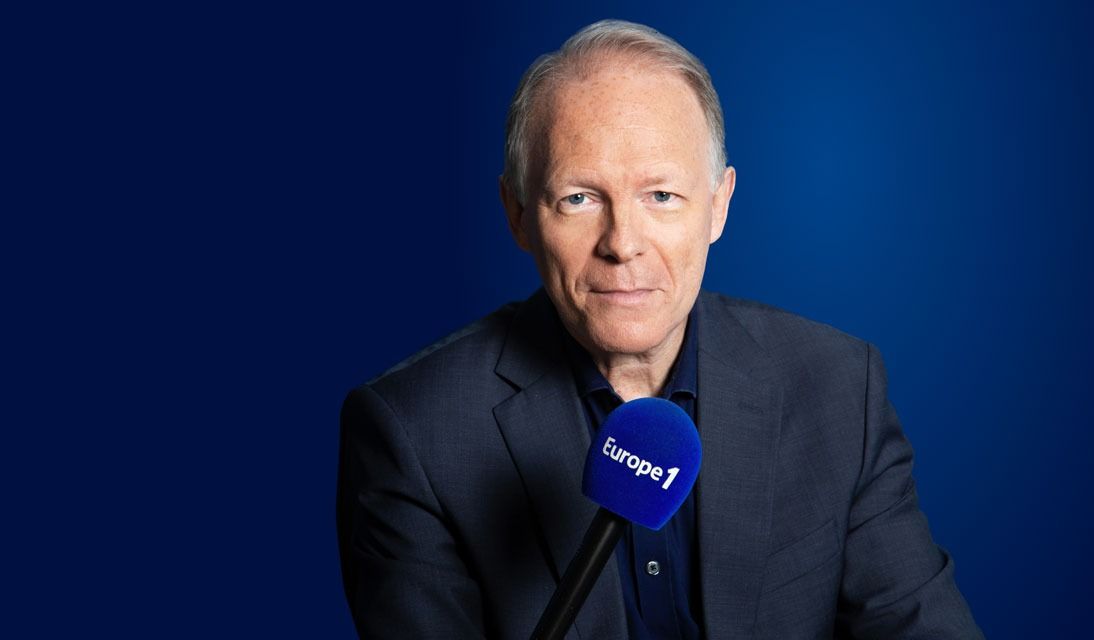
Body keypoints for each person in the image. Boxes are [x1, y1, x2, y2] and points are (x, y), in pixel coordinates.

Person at [337, 19, 983, 640]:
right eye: (579, 198)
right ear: (518, 215)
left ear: (718, 206)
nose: (623, 244)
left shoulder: (839, 390)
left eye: (662, 196)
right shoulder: (414, 434)